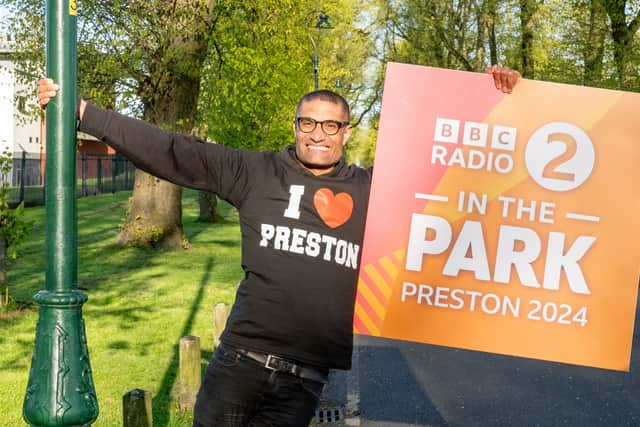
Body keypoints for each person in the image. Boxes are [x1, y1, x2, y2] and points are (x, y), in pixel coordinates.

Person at [38, 65, 520, 427]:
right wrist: (84, 113)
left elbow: (452, 171)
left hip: (305, 383)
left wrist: (497, 98)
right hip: (237, 365)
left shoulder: (377, 190)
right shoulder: (255, 172)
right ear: (295, 126)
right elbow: (171, 151)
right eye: (308, 122)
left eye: (331, 125)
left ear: (346, 132)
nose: (318, 134)